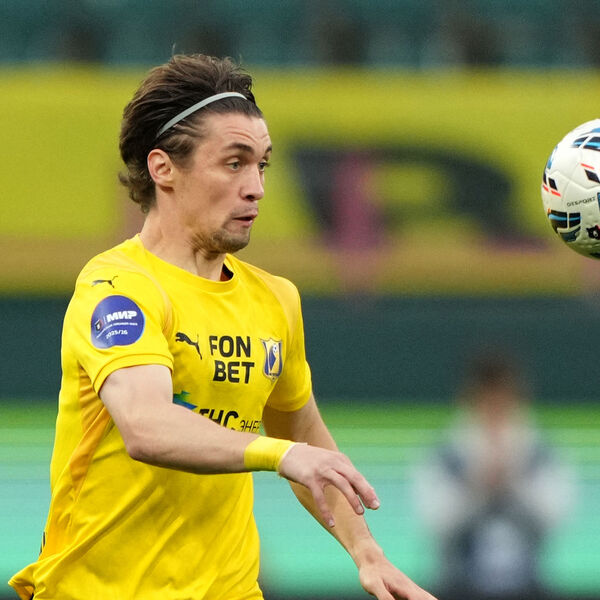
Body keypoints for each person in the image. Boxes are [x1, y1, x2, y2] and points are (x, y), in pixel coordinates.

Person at [10, 54, 436, 600]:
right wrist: (279, 455)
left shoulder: (275, 299)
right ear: (163, 168)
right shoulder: (117, 289)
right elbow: (146, 426)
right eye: (234, 163)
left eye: (262, 165)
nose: (256, 187)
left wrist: (365, 550)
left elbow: (302, 434)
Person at [413, 349, 574, 600]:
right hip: (460, 587)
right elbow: (434, 522)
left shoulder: (538, 451)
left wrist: (512, 479)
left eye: (502, 397)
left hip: (527, 587)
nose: (495, 406)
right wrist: (478, 483)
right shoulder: (448, 453)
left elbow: (555, 516)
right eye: (487, 398)